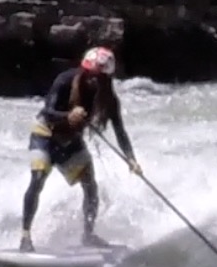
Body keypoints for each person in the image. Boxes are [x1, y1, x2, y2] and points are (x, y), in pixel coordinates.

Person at [19, 46, 140, 253]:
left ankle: (88, 234)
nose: (92, 80)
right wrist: (67, 115)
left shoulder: (109, 100)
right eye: (90, 75)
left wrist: (131, 159)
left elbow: (120, 130)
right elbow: (47, 112)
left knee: (91, 187)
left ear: (107, 78)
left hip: (70, 141)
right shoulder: (65, 80)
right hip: (45, 135)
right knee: (38, 177)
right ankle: (25, 236)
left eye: (98, 77)